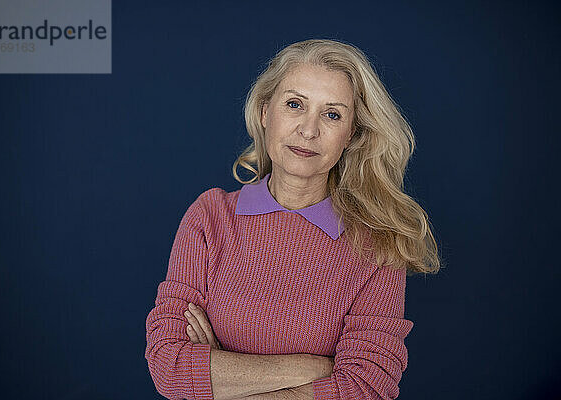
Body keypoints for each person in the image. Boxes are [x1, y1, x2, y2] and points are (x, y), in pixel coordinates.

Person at [144, 38, 441, 400]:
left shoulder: (377, 245)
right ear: (266, 112)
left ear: (351, 134)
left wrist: (220, 377)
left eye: (332, 114)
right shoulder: (210, 216)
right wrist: (311, 368)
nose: (308, 129)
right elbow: (170, 367)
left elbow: (365, 387)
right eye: (295, 104)